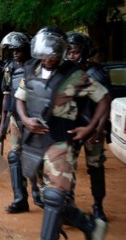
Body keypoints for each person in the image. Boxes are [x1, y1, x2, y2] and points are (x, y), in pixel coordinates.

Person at [15, 26, 109, 239]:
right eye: (45, 53)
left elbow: (103, 97)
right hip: (34, 141)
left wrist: (91, 127)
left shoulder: (74, 75)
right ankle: (90, 227)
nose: (49, 58)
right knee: (47, 198)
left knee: (55, 196)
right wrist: (24, 119)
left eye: (53, 53)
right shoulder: (31, 70)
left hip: (60, 141)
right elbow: (20, 98)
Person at [66, 32, 110, 222]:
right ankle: (70, 207)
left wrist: (100, 130)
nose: (70, 56)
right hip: (74, 129)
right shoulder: (67, 72)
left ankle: (98, 206)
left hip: (94, 129)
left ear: (84, 52)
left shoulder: (97, 72)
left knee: (96, 167)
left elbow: (106, 103)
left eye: (74, 52)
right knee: (68, 167)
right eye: (68, 52)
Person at [0, 32, 44, 213]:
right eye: (13, 50)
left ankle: (39, 194)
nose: (15, 53)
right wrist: (3, 123)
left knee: (36, 158)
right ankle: (20, 198)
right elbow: (6, 97)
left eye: (19, 50)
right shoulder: (9, 69)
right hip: (16, 119)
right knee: (14, 157)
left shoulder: (38, 68)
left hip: (35, 121)